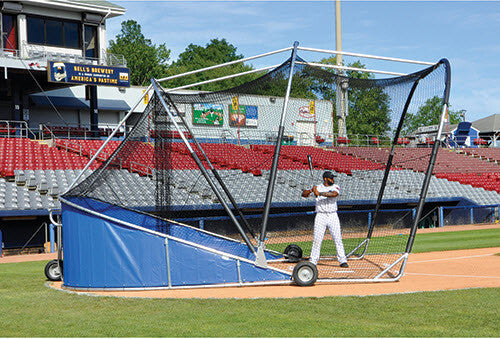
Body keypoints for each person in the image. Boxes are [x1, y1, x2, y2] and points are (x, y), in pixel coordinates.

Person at [301, 170, 348, 268]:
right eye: (331, 178)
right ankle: (313, 260)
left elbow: (334, 194)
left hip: (332, 215)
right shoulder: (318, 187)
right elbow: (303, 194)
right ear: (326, 179)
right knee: (317, 239)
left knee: (337, 238)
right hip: (320, 216)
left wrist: (320, 193)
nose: (333, 179)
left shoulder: (335, 187)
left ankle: (342, 260)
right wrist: (311, 191)